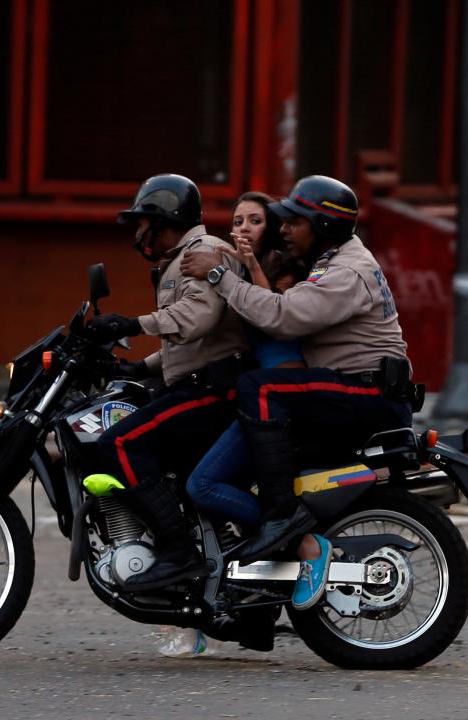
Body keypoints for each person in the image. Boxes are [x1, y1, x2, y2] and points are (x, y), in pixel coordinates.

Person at [180, 175, 418, 611]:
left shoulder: (347, 271)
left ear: (322, 227)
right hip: (346, 390)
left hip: (368, 395)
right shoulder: (329, 261)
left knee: (262, 390)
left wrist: (217, 274)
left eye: (295, 222)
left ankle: (284, 520)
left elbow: (284, 317)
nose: (284, 229)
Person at [83, 173, 251, 592]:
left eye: (142, 223)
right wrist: (137, 369)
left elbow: (198, 319)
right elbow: (191, 345)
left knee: (119, 444)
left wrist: (131, 324)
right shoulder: (182, 258)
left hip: (213, 391)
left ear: (164, 220)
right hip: (197, 382)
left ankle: (179, 552)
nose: (138, 233)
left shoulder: (204, 251)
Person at [185, 194, 306, 531]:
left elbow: (270, 313)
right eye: (238, 221)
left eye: (255, 220)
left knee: (204, 483)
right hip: (254, 388)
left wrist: (241, 267)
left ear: (271, 226)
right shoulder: (237, 263)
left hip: (282, 389)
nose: (244, 228)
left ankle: (286, 536)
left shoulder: (285, 266)